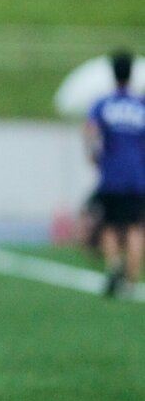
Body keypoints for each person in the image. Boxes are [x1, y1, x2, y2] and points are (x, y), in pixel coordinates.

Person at [84, 50, 145, 298]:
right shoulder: (140, 105)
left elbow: (90, 132)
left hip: (111, 175)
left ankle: (113, 265)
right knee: (135, 227)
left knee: (109, 225)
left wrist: (94, 156)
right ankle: (131, 279)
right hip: (137, 176)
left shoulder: (104, 104)